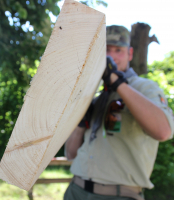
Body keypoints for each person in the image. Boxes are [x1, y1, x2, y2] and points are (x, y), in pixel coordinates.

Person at [64, 25, 174, 200]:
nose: (111, 56)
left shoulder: (144, 87)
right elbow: (70, 154)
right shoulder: (95, 97)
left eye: (118, 50)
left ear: (130, 54)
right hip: (76, 190)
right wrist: (80, 121)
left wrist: (115, 80)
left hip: (118, 195)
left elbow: (163, 131)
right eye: (106, 50)